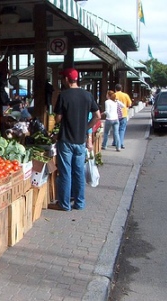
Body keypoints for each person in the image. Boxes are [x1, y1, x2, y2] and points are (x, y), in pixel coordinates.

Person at [49, 67, 101, 211]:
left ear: (66, 79)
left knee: (65, 173)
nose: (62, 80)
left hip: (66, 140)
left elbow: (58, 119)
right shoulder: (88, 95)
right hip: (80, 141)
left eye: (62, 78)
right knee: (78, 172)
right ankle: (79, 203)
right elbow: (97, 116)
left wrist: (62, 116)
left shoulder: (63, 96)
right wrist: (85, 127)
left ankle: (64, 204)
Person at [113, 84, 132, 149]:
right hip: (124, 114)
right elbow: (129, 104)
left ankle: (115, 142)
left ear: (115, 89)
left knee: (115, 129)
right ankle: (120, 143)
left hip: (115, 115)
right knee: (122, 129)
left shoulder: (113, 95)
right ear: (121, 89)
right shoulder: (125, 95)